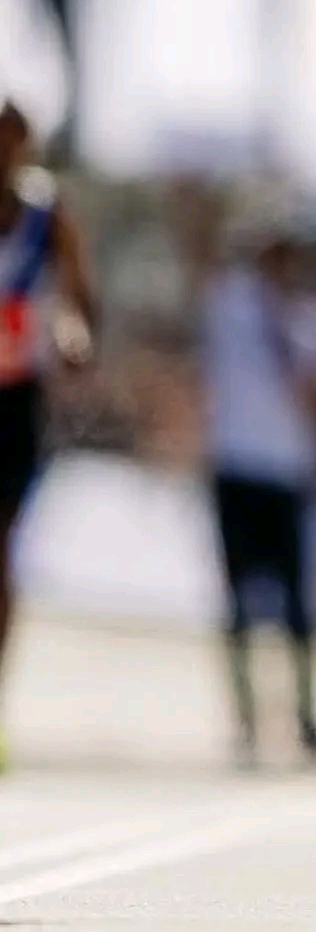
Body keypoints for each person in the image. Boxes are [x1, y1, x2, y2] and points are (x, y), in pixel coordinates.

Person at [201, 213, 316, 767]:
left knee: (299, 606)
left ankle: (307, 717)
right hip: (236, 467)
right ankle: (244, 721)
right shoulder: (230, 307)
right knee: (237, 602)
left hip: (290, 474)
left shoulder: (311, 324)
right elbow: (200, 255)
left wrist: (293, 364)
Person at [0, 96, 96, 768]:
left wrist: (73, 331)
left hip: (14, 400)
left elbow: (78, 298)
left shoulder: (44, 213)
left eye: (13, 139)